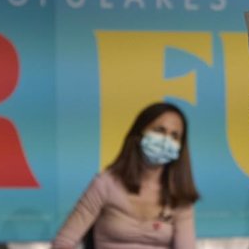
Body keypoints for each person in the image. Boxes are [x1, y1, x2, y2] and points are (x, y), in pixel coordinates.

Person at [53, 102, 200, 249]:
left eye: (175, 136)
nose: (166, 140)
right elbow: (63, 243)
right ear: (140, 132)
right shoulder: (105, 184)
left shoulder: (180, 197)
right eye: (159, 130)